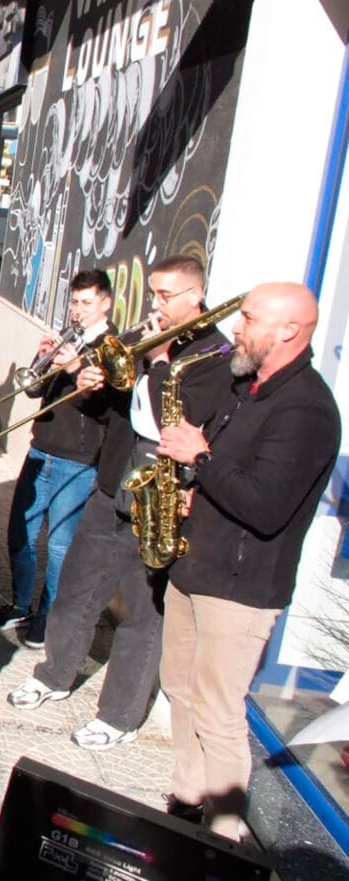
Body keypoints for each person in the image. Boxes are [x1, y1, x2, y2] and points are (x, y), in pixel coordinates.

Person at [7, 255, 233, 752]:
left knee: (140, 611)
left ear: (195, 295)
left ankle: (120, 714)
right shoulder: (143, 339)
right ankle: (55, 673)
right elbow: (115, 406)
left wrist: (156, 364)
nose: (155, 305)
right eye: (152, 293)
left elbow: (166, 422)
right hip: (112, 481)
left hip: (160, 496)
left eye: (165, 295)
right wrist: (90, 386)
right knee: (76, 585)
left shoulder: (214, 356)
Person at [155, 282, 338, 840]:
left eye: (250, 318)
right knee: (180, 689)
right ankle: (187, 801)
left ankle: (222, 836)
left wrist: (200, 457)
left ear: (289, 330)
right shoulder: (245, 386)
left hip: (241, 588)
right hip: (195, 566)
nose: (237, 327)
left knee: (218, 711)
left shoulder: (306, 409)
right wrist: (191, 484)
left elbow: (264, 505)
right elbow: (224, 470)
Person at [0, 270, 116, 648]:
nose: (77, 311)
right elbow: (34, 387)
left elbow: (105, 409)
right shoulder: (66, 338)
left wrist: (76, 369)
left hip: (78, 459)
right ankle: (20, 604)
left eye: (86, 303)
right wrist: (44, 358)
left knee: (59, 545)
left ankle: (48, 615)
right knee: (19, 534)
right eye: (74, 302)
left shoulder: (112, 348)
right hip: (41, 447)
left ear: (105, 303)